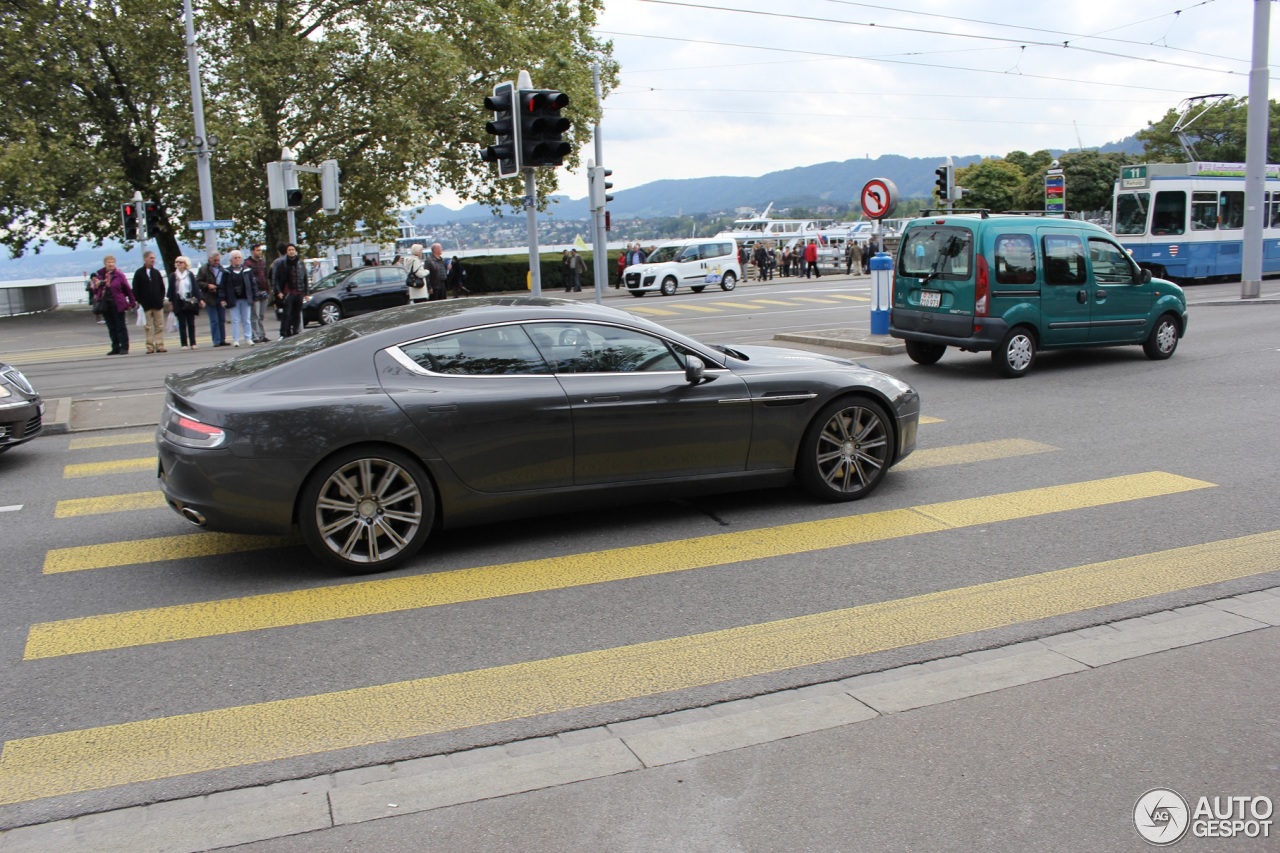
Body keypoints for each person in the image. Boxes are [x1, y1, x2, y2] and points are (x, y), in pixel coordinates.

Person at [91, 255, 136, 355]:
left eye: (112, 262)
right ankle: (115, 347)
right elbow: (95, 290)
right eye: (108, 262)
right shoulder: (100, 276)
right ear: (105, 264)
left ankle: (124, 347)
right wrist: (96, 285)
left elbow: (127, 289)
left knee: (120, 326)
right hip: (106, 304)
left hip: (117, 303)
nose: (110, 264)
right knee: (111, 327)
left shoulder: (119, 275)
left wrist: (132, 302)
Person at [131, 250, 168, 353]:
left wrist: (161, 298)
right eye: (151, 258)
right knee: (148, 326)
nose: (153, 260)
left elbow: (162, 287)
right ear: (145, 259)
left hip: (157, 303)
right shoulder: (139, 273)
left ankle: (160, 345)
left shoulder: (156, 273)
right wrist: (138, 300)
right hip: (145, 304)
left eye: (154, 258)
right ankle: (150, 346)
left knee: (159, 325)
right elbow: (135, 288)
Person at [221, 250, 258, 347]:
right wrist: (223, 299)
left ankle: (248, 338)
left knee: (246, 319)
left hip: (245, 298)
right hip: (233, 299)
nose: (237, 259)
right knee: (235, 320)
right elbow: (223, 286)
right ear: (231, 260)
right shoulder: (227, 272)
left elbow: (253, 284)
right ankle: (236, 339)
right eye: (235, 258)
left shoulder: (247, 271)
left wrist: (254, 297)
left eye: (239, 257)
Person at [272, 243, 308, 337]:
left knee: (297, 314)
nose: (291, 251)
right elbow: (275, 278)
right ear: (287, 252)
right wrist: (278, 291)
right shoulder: (282, 263)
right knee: (286, 314)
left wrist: (306, 292)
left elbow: (305, 278)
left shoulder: (300, 263)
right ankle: (284, 333)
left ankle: (295, 331)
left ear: (295, 251)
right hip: (288, 292)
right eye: (289, 250)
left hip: (299, 291)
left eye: (293, 249)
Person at [167, 256, 202, 350]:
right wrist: (170, 303)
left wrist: (199, 300)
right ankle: (184, 344)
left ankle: (193, 343)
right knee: (182, 323)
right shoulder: (173, 276)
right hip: (178, 301)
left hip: (189, 300)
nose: (178, 264)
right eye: (177, 262)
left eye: (180, 262)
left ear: (185, 264)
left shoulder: (189, 275)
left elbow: (195, 288)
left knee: (191, 323)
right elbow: (170, 290)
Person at [196, 251, 229, 346]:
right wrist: (207, 286)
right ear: (210, 259)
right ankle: (216, 340)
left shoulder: (221, 269)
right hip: (209, 297)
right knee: (214, 320)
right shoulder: (203, 269)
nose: (217, 262)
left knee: (222, 319)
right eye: (215, 260)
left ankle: (222, 339)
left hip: (220, 295)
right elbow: (198, 282)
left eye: (218, 260)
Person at [245, 244, 270, 343]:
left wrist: (268, 290)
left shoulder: (262, 262)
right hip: (255, 292)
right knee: (254, 316)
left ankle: (262, 334)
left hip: (264, 291)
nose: (259, 252)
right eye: (257, 250)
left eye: (260, 250)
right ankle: (255, 335)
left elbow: (266, 276)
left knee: (261, 315)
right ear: (252, 251)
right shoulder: (248, 263)